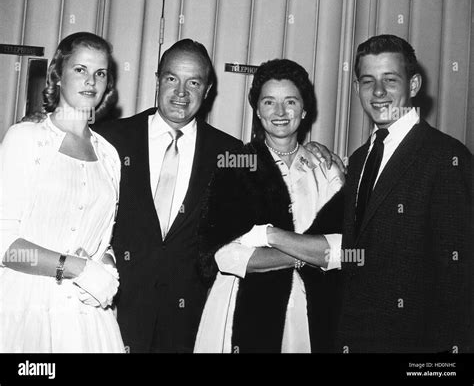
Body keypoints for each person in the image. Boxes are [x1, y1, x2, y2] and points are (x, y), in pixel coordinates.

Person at [94, 39, 342, 353]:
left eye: (194, 82)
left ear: (208, 90)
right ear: (157, 80)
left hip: (191, 320)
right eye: (172, 79)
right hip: (116, 308)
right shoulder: (110, 139)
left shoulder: (230, 153)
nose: (181, 93)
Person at [194, 58, 345, 353]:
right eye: (268, 102)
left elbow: (342, 251)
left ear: (304, 109)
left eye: (290, 101)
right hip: (241, 306)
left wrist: (268, 235)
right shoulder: (235, 165)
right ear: (257, 111)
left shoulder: (327, 169)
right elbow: (226, 256)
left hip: (311, 308)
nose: (279, 112)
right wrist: (310, 254)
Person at [333, 34, 473, 352]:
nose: (378, 92)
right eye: (368, 81)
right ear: (356, 88)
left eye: (390, 80)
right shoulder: (358, 159)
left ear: (413, 86)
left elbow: (460, 279)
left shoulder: (446, 157)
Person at [0, 32, 125, 352]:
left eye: (100, 73)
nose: (91, 81)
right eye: (80, 70)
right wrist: (76, 268)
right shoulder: (25, 139)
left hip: (88, 317)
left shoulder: (110, 155)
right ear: (58, 74)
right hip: (27, 310)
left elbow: (101, 240)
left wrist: (107, 267)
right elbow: (4, 244)